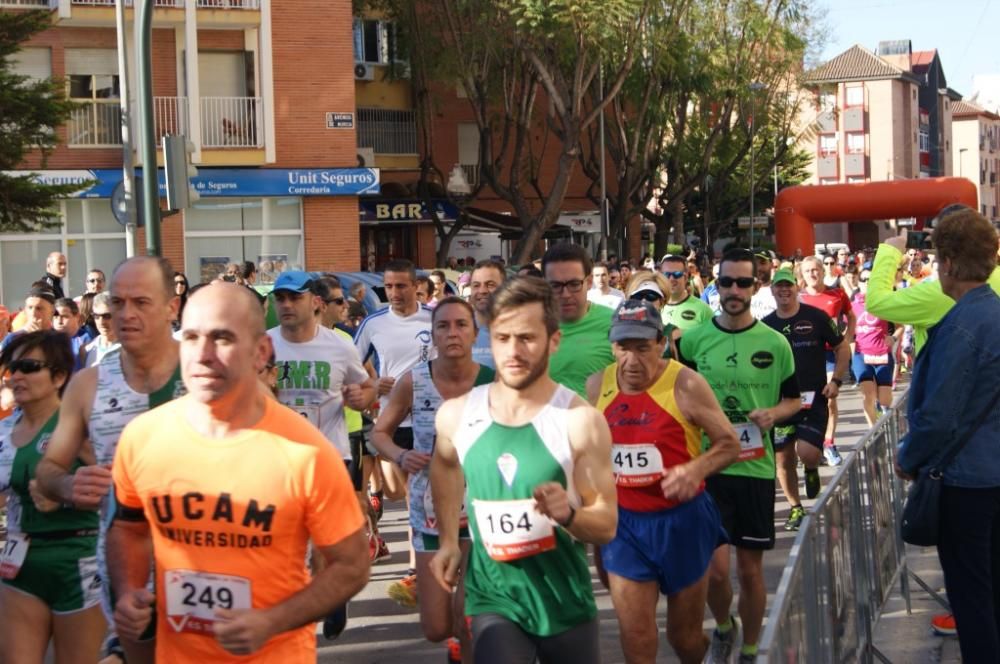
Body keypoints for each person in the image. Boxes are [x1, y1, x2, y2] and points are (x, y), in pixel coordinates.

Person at [106, 282, 371, 664]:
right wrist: (129, 587)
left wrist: (271, 621)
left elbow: (353, 565)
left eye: (222, 338)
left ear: (261, 352)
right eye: (192, 337)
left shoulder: (307, 453)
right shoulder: (142, 437)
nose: (203, 354)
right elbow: (127, 528)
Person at [429, 276, 617, 664]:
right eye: (502, 338)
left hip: (564, 601)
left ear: (554, 341)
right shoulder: (457, 415)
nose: (513, 351)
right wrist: (449, 539)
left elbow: (607, 524)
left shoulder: (580, 422)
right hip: (493, 597)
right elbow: (445, 466)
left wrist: (569, 513)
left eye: (527, 338)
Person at [36, 256, 187, 664]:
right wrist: (68, 485)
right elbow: (48, 470)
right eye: (118, 304)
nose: (126, 314)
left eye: (141, 302)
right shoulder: (89, 383)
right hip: (125, 567)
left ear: (172, 307)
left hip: (204, 560)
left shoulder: (205, 371)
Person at [587, 301, 739, 663]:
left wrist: (695, 469)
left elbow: (729, 443)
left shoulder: (685, 383)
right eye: (624, 348)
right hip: (625, 524)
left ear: (660, 343)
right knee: (637, 636)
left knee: (684, 639)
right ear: (613, 346)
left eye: (642, 348)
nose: (632, 360)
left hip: (681, 522)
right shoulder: (597, 385)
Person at [676, 249, 801, 663]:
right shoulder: (692, 341)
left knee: (749, 571)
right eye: (726, 282)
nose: (734, 291)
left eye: (742, 283)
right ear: (716, 283)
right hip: (707, 468)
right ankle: (724, 627)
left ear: (756, 286)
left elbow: (793, 401)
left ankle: (749, 649)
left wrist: (773, 414)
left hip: (754, 468)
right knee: (713, 572)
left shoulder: (775, 343)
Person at [895, 207, 1000, 663]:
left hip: (968, 482)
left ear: (951, 264)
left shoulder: (961, 326)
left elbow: (939, 416)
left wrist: (907, 457)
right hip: (990, 474)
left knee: (973, 597)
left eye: (939, 260)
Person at [371, 296, 494, 661]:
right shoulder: (414, 380)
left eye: (461, 325)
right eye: (443, 326)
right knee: (436, 626)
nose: (452, 333)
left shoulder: (493, 382)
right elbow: (379, 434)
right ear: (433, 336)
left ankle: (467, 646)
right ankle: (456, 641)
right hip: (429, 508)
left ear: (474, 334)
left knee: (469, 614)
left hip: (480, 506)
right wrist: (402, 455)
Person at [0, 330, 106, 664]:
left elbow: (120, 490)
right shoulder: (4, 433)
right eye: (12, 368)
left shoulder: (79, 427)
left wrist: (65, 493)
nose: (17, 375)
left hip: (76, 561)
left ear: (59, 376)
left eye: (29, 366)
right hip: (20, 562)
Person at [354, 259, 433, 598]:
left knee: (423, 495)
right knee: (400, 494)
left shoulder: (433, 319)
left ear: (416, 286)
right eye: (389, 287)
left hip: (432, 419)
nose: (395, 293)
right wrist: (374, 384)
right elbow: (350, 363)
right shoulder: (374, 324)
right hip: (392, 422)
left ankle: (419, 571)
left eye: (401, 286)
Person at [763, 269, 848, 530]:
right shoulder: (766, 325)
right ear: (772, 291)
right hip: (780, 403)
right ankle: (795, 508)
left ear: (796, 287)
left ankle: (811, 468)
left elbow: (841, 347)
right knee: (782, 459)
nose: (784, 290)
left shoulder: (816, 317)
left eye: (788, 285)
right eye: (779, 286)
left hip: (813, 398)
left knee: (807, 452)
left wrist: (836, 381)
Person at [799, 255, 855, 466]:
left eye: (816, 270)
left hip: (831, 354)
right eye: (808, 271)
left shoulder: (837, 293)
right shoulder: (798, 297)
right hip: (807, 355)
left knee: (830, 399)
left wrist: (847, 339)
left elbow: (852, 316)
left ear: (823, 271)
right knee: (806, 402)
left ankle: (829, 443)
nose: (813, 274)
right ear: (802, 276)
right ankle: (810, 443)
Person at [543, 243, 614, 398]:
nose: (566, 294)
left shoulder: (615, 323)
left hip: (600, 421)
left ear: (588, 282)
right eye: (555, 286)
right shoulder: (529, 326)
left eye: (574, 284)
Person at [851, 268, 896, 426]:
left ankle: (880, 409)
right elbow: (847, 331)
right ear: (859, 282)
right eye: (864, 279)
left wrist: (894, 337)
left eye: (871, 280)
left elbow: (900, 325)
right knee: (867, 395)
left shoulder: (884, 303)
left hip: (882, 354)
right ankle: (874, 431)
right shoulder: (852, 306)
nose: (867, 283)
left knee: (885, 400)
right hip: (861, 354)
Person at [659, 254, 713, 334]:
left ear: (686, 277)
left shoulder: (703, 310)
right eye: (666, 274)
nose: (671, 279)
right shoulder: (654, 307)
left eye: (677, 274)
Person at [469, 259, 505, 369]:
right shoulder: (458, 328)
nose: (482, 291)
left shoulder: (517, 330)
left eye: (490, 285)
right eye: (476, 285)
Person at [81, 292, 120, 368]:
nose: (101, 322)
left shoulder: (131, 349)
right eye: (96, 316)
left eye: (107, 316)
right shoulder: (86, 349)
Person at [750, 253, 777, 320]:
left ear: (771, 264)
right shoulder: (742, 289)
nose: (758, 268)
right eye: (754, 264)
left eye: (762, 263)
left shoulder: (780, 291)